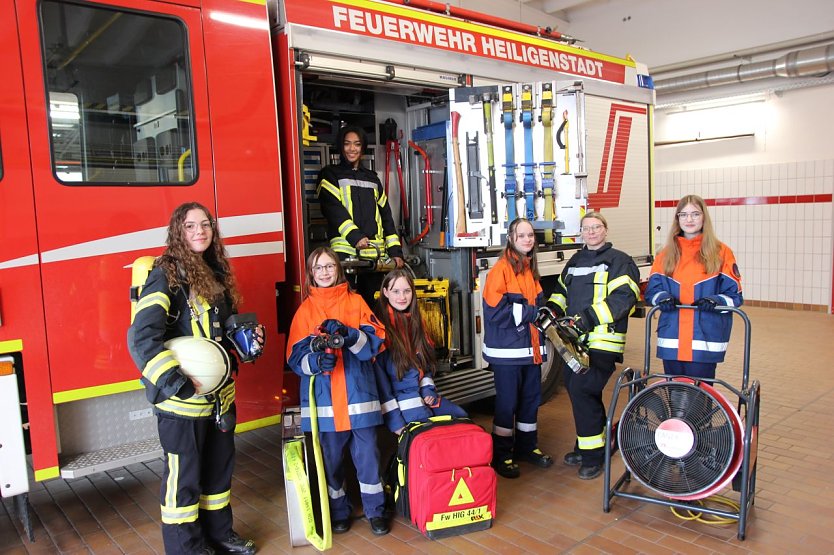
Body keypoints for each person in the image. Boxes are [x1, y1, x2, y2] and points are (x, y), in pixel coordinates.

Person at [127, 202, 261, 555]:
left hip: (218, 399)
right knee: (183, 481)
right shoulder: (165, 274)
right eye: (190, 226)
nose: (200, 231)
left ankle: (219, 534)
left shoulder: (214, 271)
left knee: (218, 474)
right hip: (182, 404)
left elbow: (219, 332)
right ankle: (187, 547)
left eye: (205, 224)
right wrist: (176, 383)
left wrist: (244, 344)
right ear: (178, 231)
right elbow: (141, 337)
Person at [286, 247, 390, 536]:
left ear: (338, 269)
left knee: (368, 456)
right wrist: (316, 361)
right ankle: (339, 511)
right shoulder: (305, 311)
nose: (324, 272)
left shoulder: (356, 302)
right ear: (311, 273)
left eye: (329, 266)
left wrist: (349, 334)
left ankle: (376, 511)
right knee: (330, 462)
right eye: (318, 268)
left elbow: (376, 343)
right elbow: (294, 358)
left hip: (358, 399)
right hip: (325, 402)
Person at [546, 211, 639, 480]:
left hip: (603, 342)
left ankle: (593, 457)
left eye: (596, 227)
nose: (591, 232)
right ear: (581, 232)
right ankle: (589, 445)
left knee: (582, 389)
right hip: (574, 342)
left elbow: (624, 298)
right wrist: (551, 309)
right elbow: (561, 292)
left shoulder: (620, 261)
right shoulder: (574, 261)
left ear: (605, 230)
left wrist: (586, 319)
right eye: (586, 228)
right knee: (579, 393)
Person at [482, 218, 553, 479]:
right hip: (508, 353)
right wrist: (532, 312)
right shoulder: (501, 269)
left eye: (530, 235)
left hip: (529, 351)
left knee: (530, 401)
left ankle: (527, 447)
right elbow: (494, 312)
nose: (527, 239)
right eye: (521, 235)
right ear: (510, 238)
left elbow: (537, 306)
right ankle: (502, 453)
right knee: (507, 403)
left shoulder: (527, 269)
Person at [645, 194, 743, 379]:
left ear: (704, 217)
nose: (689, 219)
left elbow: (735, 296)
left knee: (699, 398)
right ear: (677, 219)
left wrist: (717, 301)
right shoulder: (665, 254)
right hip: (672, 337)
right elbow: (652, 292)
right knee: (675, 394)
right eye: (683, 215)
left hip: (704, 338)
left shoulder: (721, 253)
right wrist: (662, 298)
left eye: (695, 214)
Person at [317, 125, 404, 305]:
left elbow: (386, 216)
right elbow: (333, 210)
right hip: (345, 258)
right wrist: (355, 237)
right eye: (347, 144)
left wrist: (395, 251)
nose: (352, 148)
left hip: (375, 259)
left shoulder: (372, 178)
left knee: (375, 310)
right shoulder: (330, 175)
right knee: (346, 309)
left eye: (357, 144)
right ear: (341, 146)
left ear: (362, 148)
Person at [373, 269, 467, 434]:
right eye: (396, 291)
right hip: (402, 403)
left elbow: (426, 366)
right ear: (385, 292)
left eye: (407, 291)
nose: (402, 297)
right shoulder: (379, 330)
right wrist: (395, 422)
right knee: (431, 437)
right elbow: (380, 385)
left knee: (461, 418)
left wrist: (427, 390)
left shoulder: (417, 322)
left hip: (422, 396)